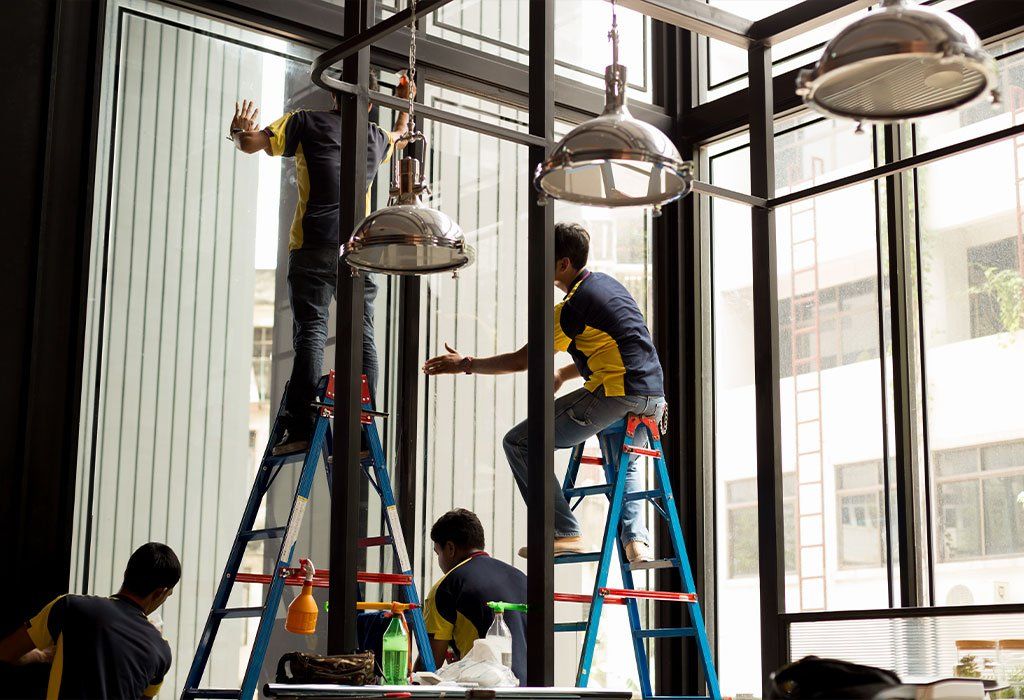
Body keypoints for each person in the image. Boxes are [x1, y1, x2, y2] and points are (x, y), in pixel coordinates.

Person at [422, 222, 665, 563]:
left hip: (616, 395)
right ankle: (635, 542)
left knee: (519, 442)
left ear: (563, 264)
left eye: (543, 257)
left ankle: (565, 531)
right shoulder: (608, 287)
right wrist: (565, 373)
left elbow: (522, 360)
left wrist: (466, 363)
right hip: (652, 399)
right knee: (624, 466)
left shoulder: (572, 308)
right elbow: (619, 348)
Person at [230, 73, 414, 455]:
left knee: (311, 333)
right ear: (370, 101)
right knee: (362, 334)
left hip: (313, 246)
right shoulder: (376, 137)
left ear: (333, 92)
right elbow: (400, 134)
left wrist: (238, 132)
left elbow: (250, 143)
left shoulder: (305, 122)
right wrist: (404, 99)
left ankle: (301, 426)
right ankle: (364, 432)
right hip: (357, 251)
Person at [0, 542, 181, 699]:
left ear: (126, 573)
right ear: (160, 593)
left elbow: (7, 652)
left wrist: (42, 655)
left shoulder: (70, 607)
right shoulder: (160, 650)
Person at [423, 509, 527, 682]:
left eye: (437, 553)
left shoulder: (447, 586)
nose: (439, 561)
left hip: (488, 690)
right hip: (533, 692)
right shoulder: (522, 578)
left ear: (450, 549)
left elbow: (430, 663)